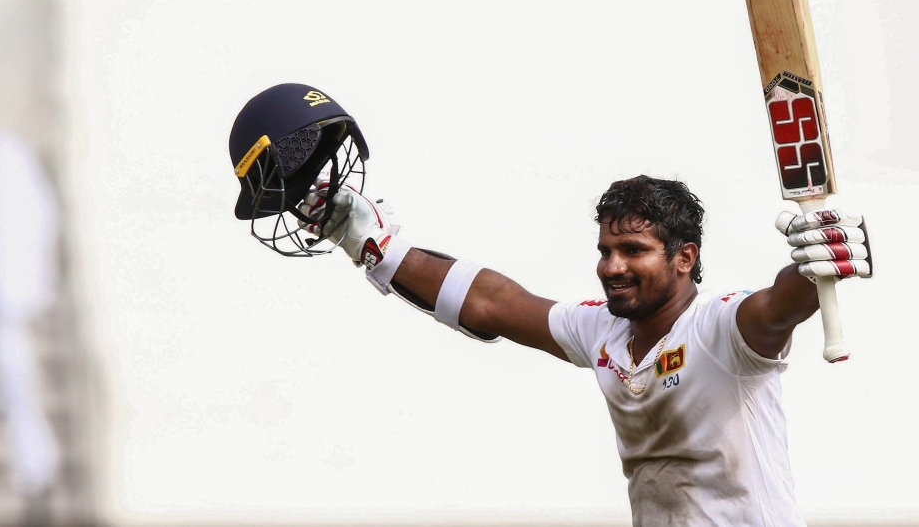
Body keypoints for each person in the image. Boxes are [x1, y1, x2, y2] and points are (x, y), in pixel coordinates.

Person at [229, 85, 872, 527]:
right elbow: (495, 302)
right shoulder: (604, 333)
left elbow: (778, 307)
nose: (612, 266)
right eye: (605, 249)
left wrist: (813, 262)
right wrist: (374, 248)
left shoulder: (722, 329)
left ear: (685, 257)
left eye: (634, 251)